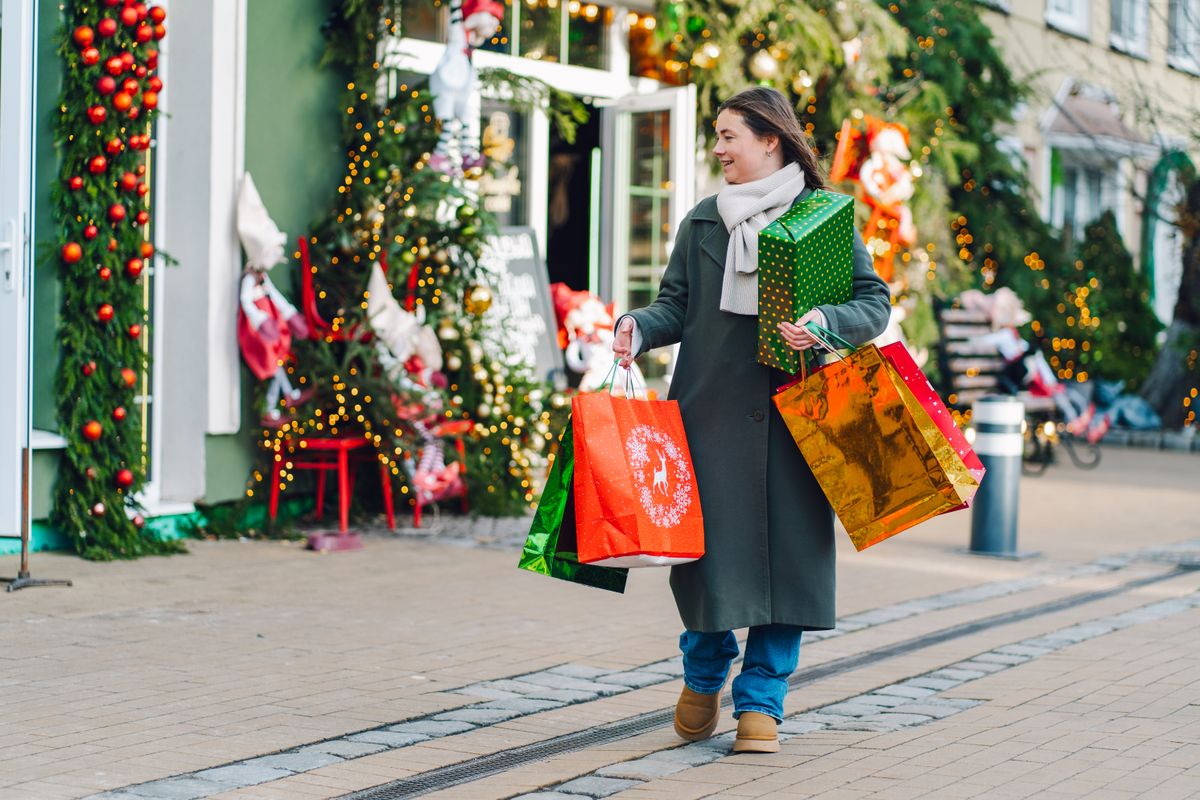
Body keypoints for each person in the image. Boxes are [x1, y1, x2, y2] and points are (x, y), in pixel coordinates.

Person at [612, 87, 891, 753]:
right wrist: (636, 328)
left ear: (771, 139)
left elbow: (873, 301)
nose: (718, 148)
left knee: (785, 565)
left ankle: (763, 701)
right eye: (716, 135)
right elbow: (674, 307)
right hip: (707, 421)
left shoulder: (824, 219)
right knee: (705, 563)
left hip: (799, 423)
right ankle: (702, 677)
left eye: (728, 134)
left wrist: (827, 322)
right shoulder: (705, 222)